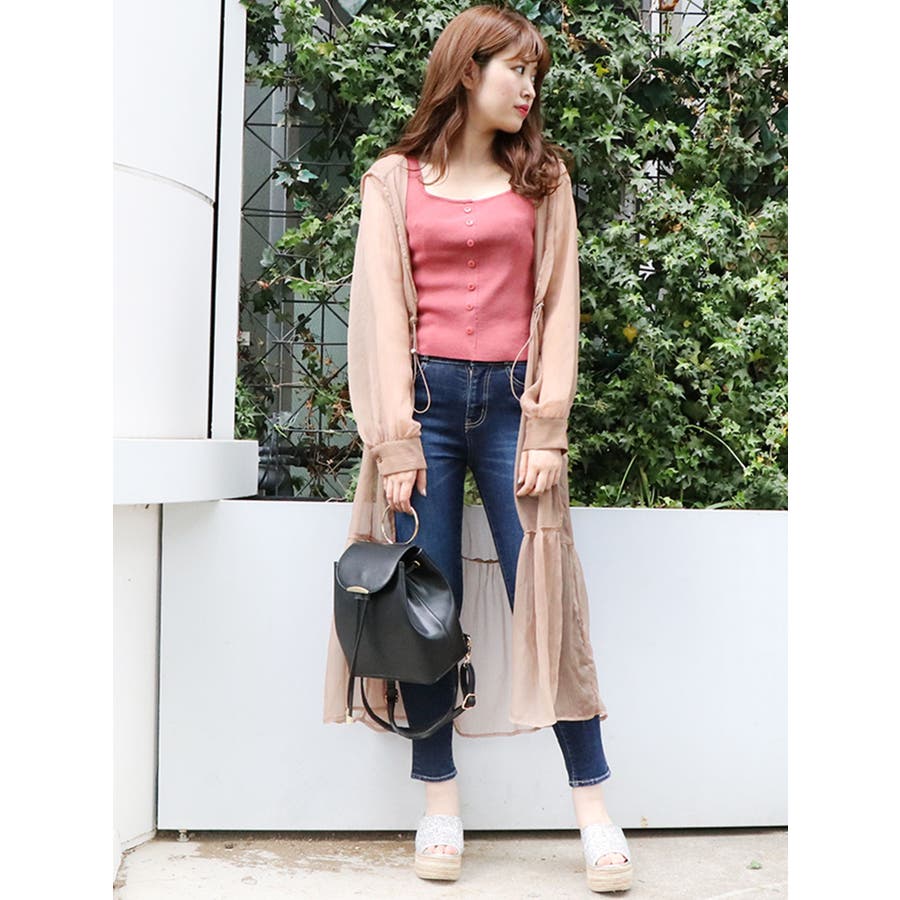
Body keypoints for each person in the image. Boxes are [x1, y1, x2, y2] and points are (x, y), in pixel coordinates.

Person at [323, 4, 632, 893]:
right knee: (424, 607)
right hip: (421, 411)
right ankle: (440, 804)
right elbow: (377, 314)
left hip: (512, 410)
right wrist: (394, 442)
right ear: (468, 71)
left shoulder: (544, 179)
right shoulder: (392, 181)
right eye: (516, 70)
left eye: (536, 74)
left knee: (548, 595)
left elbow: (560, 306)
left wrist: (548, 429)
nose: (529, 88)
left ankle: (595, 810)